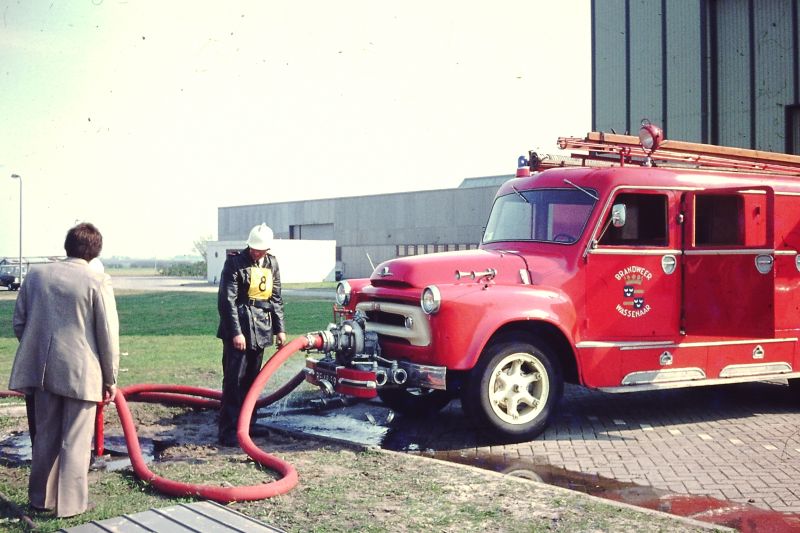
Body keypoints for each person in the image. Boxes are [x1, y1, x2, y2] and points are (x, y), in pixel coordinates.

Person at [8, 222, 119, 518]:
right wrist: (110, 378)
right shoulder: (97, 280)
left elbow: (19, 323)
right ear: (96, 251)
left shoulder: (36, 275)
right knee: (76, 441)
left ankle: (40, 500)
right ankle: (71, 506)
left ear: (67, 245)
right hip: (83, 373)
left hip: (43, 372)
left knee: (45, 436)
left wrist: (38, 352)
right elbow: (107, 335)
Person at [216, 223, 286, 446]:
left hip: (262, 328)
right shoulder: (234, 263)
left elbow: (276, 298)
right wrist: (236, 333)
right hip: (240, 326)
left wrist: (280, 329)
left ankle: (248, 423)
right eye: (254, 249)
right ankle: (228, 430)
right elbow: (227, 301)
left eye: (261, 250)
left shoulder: (272, 263)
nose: (256, 253)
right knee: (234, 380)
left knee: (253, 380)